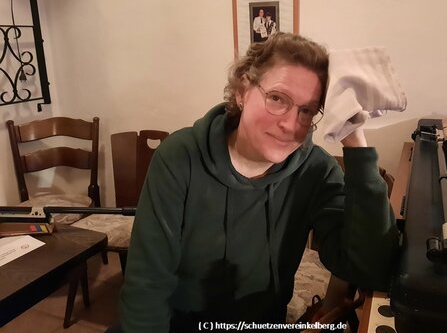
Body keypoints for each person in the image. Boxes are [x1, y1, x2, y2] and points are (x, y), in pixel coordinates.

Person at [109, 33, 400, 332]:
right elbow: (147, 285)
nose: (290, 124)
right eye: (277, 98)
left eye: (306, 111)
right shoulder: (180, 157)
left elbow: (371, 270)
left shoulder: (316, 171)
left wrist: (355, 141)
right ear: (242, 90)